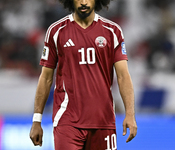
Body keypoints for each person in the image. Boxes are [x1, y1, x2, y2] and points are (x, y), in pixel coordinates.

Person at [29, 0, 137, 149]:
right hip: (67, 122)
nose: (84, 2)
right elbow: (46, 78)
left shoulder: (112, 31)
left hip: (103, 122)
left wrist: (130, 114)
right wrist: (37, 120)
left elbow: (123, 76)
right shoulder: (56, 31)